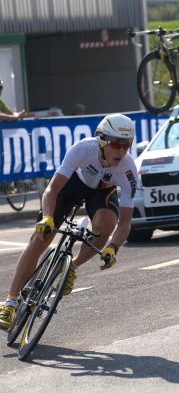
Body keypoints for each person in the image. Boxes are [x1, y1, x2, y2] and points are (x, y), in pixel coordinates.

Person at [0, 113, 138, 329]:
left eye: (126, 145)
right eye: (115, 144)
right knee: (41, 237)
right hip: (73, 184)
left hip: (102, 192)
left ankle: (70, 268)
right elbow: (52, 189)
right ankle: (10, 301)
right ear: (102, 141)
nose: (121, 150)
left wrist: (113, 247)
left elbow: (125, 223)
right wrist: (47, 218)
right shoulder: (83, 149)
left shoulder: (129, 171)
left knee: (105, 229)